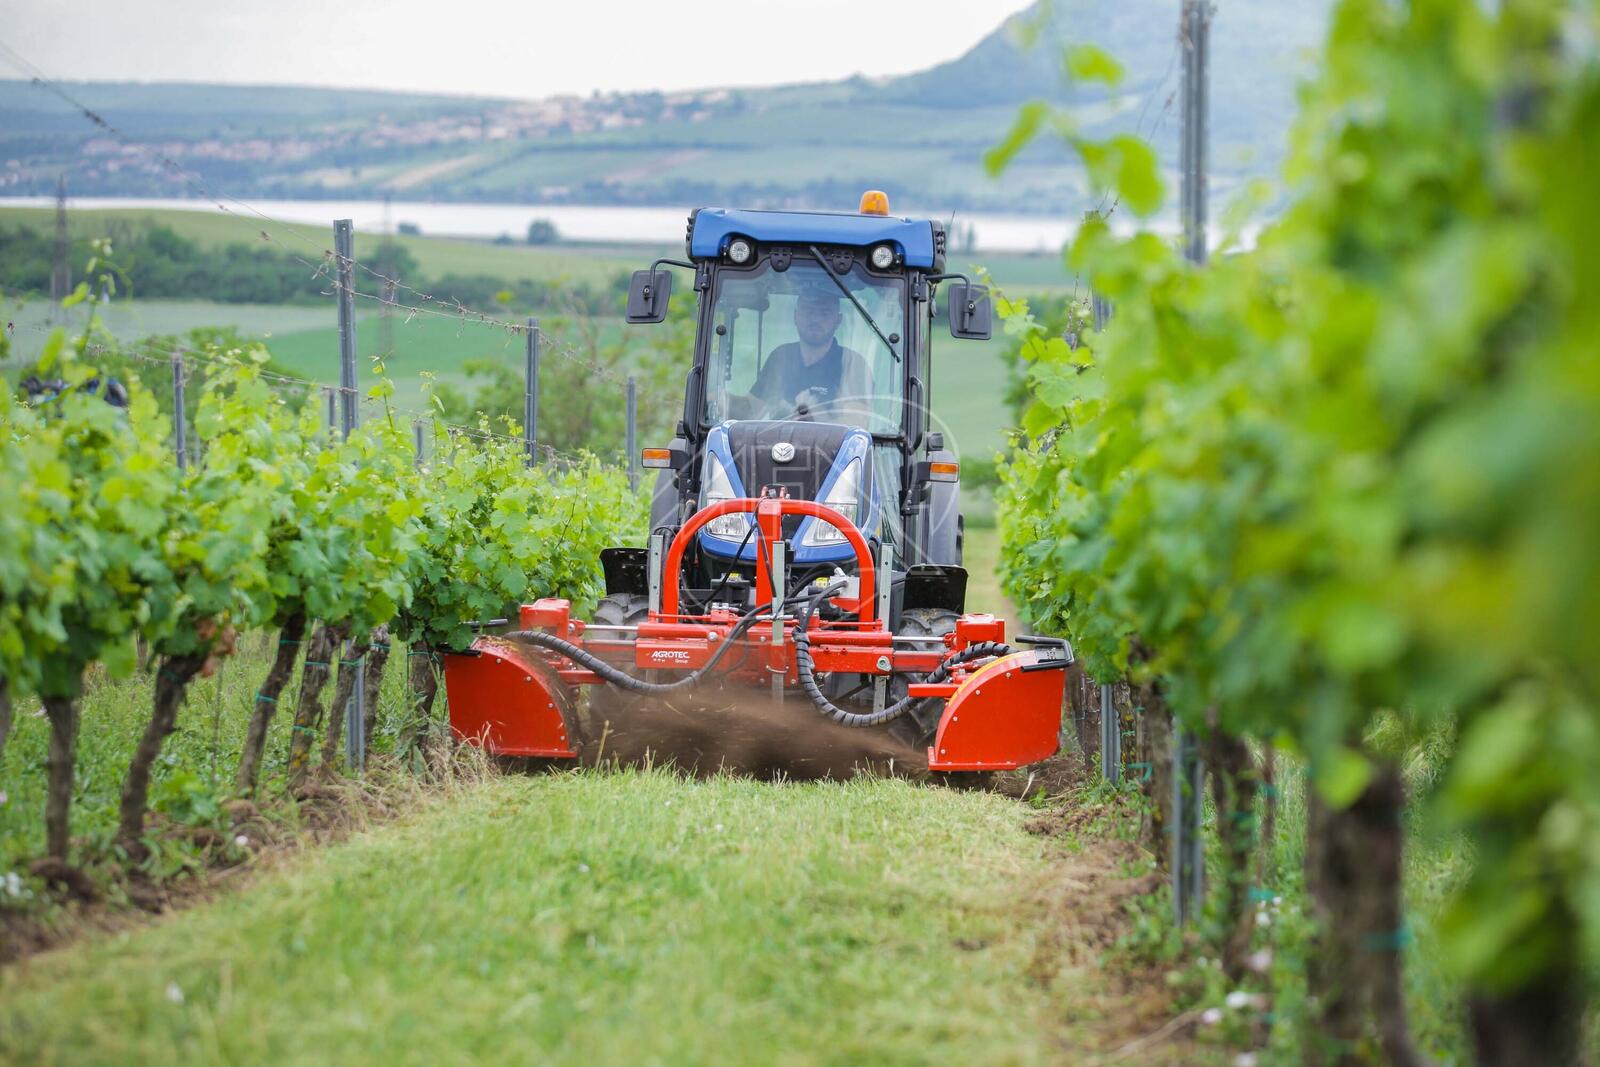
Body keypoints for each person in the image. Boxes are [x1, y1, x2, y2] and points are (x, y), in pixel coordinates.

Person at [736, 282, 871, 419]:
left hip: (830, 441)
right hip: (776, 440)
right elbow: (753, 409)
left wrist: (814, 413)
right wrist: (724, 400)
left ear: (838, 320)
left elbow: (857, 425)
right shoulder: (781, 356)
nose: (815, 319)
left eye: (825, 313)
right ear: (795, 316)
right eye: (808, 311)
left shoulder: (851, 363)